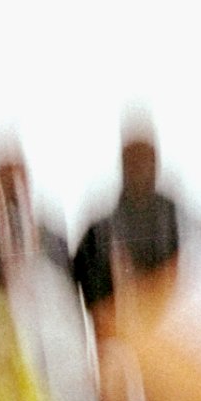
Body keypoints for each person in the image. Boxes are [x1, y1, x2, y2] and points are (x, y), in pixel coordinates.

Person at [72, 120, 183, 312]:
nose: (141, 168)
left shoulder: (180, 222)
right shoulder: (99, 232)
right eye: (133, 160)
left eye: (146, 159)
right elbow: (86, 288)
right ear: (122, 164)